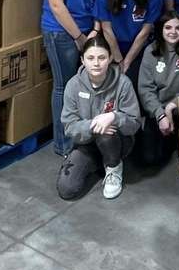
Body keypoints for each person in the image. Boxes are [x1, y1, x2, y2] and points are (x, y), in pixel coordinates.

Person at [42, 0, 104, 157]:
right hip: (62, 33)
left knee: (83, 86)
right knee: (64, 87)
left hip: (88, 31)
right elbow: (56, 4)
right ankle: (64, 143)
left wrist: (95, 30)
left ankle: (81, 136)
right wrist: (79, 36)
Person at [58, 33, 142, 200]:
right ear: (82, 60)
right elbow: (69, 126)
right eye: (90, 58)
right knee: (67, 189)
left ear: (110, 58)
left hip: (117, 140)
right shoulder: (73, 85)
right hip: (87, 142)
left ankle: (113, 167)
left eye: (102, 57)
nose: (96, 63)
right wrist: (93, 124)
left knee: (105, 133)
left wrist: (114, 117)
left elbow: (134, 123)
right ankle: (98, 162)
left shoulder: (123, 83)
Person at [136, 12, 179, 166]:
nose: (173, 32)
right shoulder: (150, 51)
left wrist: (172, 106)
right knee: (150, 159)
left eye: (178, 28)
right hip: (158, 111)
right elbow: (145, 89)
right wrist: (160, 114)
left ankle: (175, 140)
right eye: (168, 27)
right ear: (161, 29)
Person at [95, 0, 162, 87]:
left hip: (139, 47)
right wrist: (119, 60)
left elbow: (145, 32)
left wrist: (127, 63)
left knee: (133, 84)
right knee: (109, 83)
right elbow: (106, 29)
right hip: (112, 45)